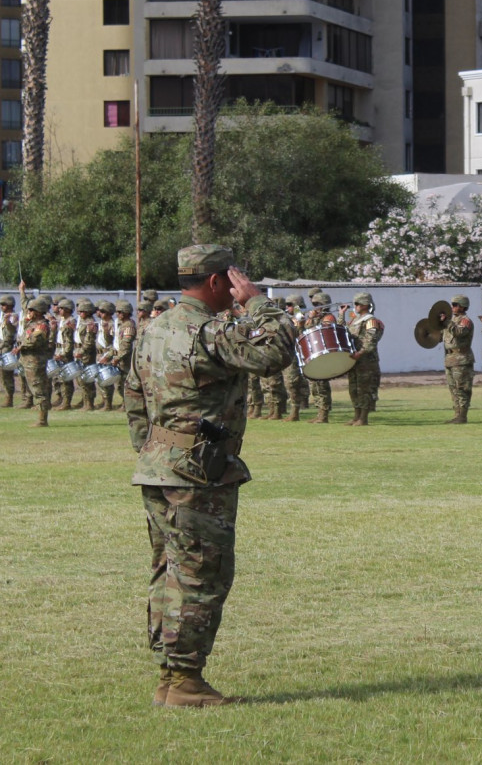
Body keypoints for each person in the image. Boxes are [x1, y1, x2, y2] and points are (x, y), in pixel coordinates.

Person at [124, 244, 296, 708]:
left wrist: (154, 451)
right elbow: (275, 351)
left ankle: (170, 675)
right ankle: (184, 682)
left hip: (159, 467)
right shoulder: (209, 332)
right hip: (199, 473)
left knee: (169, 572)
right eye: (232, 280)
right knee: (201, 575)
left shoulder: (152, 329)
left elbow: (135, 401)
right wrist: (258, 302)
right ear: (217, 282)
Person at [344, 292, 383, 426]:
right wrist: (341, 314)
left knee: (364, 389)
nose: (355, 306)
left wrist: (360, 353)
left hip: (366, 360)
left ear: (365, 304)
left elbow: (370, 341)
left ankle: (363, 417)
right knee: (353, 389)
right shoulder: (355, 320)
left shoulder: (370, 320)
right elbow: (343, 331)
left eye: (357, 304)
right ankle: (356, 416)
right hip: (355, 360)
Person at [17, 288, 53, 427]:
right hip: (28, 360)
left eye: (31, 310)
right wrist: (21, 291)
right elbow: (24, 304)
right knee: (33, 388)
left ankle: (42, 420)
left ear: (37, 312)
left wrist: (21, 346)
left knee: (39, 389)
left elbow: (33, 341)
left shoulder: (42, 326)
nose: (28, 312)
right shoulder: (31, 322)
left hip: (35, 361)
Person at [439, 294, 475, 423]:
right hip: (450, 358)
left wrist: (447, 322)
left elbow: (459, 333)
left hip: (462, 359)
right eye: (452, 304)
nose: (452, 307)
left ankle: (462, 416)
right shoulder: (451, 321)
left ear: (463, 307)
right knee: (453, 388)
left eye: (455, 305)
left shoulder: (465, 320)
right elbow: (439, 338)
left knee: (462, 388)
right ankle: (457, 415)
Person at [305, 292, 338, 424]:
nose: (315, 308)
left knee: (322, 386)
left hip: (324, 356)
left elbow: (323, 332)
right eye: (314, 305)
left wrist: (312, 320)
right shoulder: (317, 318)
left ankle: (324, 414)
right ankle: (319, 412)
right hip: (315, 355)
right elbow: (306, 329)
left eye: (318, 305)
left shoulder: (328, 318)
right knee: (315, 386)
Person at [0, 293, 17, 407]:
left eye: (4, 304)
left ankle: (9, 398)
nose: (2, 306)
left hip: (8, 347)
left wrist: (8, 322)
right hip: (2, 345)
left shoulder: (13, 316)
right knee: (2, 374)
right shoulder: (2, 316)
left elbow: (13, 331)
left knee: (7, 373)